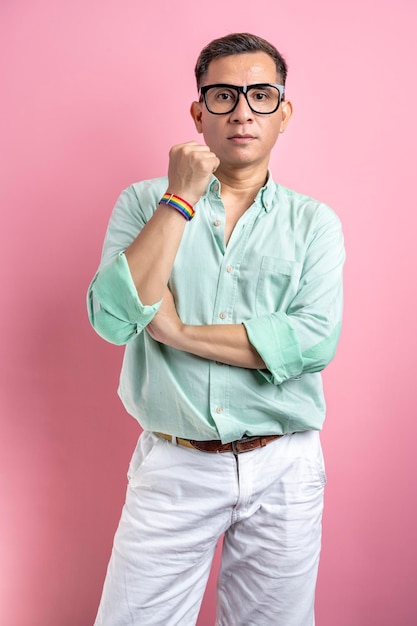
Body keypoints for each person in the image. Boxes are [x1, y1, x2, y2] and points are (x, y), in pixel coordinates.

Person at [87, 32, 345, 626]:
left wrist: (177, 333)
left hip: (285, 465)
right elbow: (112, 319)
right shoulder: (143, 202)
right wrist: (178, 198)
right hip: (176, 463)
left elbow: (311, 342)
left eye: (261, 95)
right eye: (224, 95)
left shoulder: (314, 223)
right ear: (199, 113)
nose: (242, 111)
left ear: (284, 113)